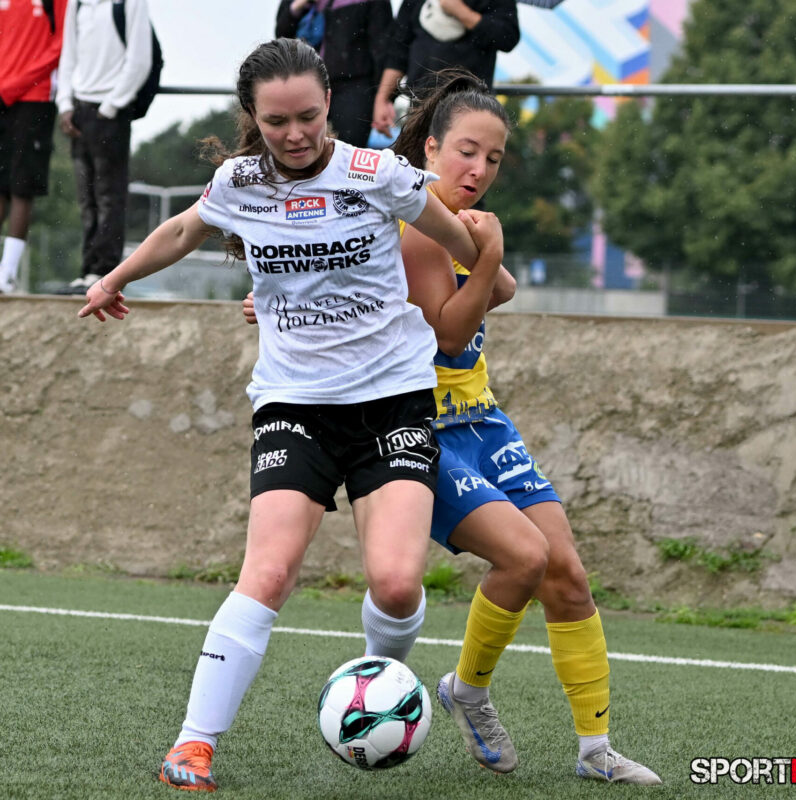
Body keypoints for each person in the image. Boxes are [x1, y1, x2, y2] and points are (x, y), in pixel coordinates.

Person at [78, 38, 502, 793]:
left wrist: (490, 261)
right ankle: (194, 744)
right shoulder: (238, 182)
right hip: (294, 404)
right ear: (253, 117)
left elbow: (466, 247)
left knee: (397, 585)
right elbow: (181, 230)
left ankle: (376, 694)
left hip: (392, 402)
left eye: (309, 116)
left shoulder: (378, 175)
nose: (297, 133)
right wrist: (114, 278)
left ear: (328, 103)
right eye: (277, 122)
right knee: (269, 571)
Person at [245, 69, 662, 785]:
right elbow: (447, 333)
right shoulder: (409, 224)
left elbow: (503, 289)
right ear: (430, 149)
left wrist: (486, 258)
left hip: (485, 419)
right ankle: (466, 690)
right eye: (467, 152)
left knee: (567, 574)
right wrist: (489, 255)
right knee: (524, 559)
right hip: (418, 427)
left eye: (494, 158)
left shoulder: (455, 222)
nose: (480, 169)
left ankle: (595, 749)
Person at [56, 0, 153, 294]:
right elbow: (68, 55)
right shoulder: (78, 4)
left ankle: (104, 271)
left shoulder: (130, 3)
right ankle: (87, 270)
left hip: (110, 111)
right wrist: (65, 103)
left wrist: (111, 106)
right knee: (87, 198)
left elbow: (140, 59)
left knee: (109, 195)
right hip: (80, 108)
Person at [371, 0, 519, 137]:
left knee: (463, 153)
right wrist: (383, 99)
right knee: (419, 154)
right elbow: (398, 51)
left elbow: (507, 37)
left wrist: (461, 12)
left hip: (470, 103)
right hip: (421, 102)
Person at [0, 0, 68, 294]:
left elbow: (61, 44)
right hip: (2, 96)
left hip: (35, 97)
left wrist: (15, 84)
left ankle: (7, 274)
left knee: (22, 186)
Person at [275, 0, 393, 147]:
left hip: (354, 88)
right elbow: (281, 36)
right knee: (300, 145)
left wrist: (384, 99)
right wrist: (297, 7)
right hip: (306, 86)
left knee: (348, 148)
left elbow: (383, 50)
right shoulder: (296, 4)